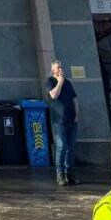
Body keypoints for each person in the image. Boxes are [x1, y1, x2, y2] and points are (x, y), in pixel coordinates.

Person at [48, 58, 80, 186]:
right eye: (58, 67)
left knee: (70, 148)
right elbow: (54, 95)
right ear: (53, 70)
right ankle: (60, 174)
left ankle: (69, 174)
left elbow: (74, 99)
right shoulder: (50, 81)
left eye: (61, 67)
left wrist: (77, 114)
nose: (61, 69)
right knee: (62, 146)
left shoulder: (68, 83)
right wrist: (60, 81)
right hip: (59, 121)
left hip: (71, 120)